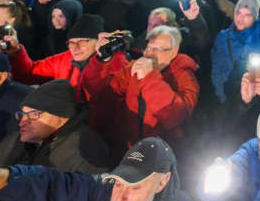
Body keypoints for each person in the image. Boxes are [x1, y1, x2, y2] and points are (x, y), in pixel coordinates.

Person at [0, 136, 196, 201]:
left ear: (163, 182)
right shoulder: (103, 193)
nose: (120, 200)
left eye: (136, 187)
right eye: (120, 184)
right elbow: (51, 184)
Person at [81, 25, 199, 153]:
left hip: (160, 155)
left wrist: (149, 77)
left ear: (174, 51)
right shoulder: (133, 69)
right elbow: (101, 94)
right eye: (148, 47)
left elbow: (174, 116)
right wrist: (102, 60)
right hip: (128, 151)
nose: (150, 54)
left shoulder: (185, 77)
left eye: (158, 49)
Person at [0, 79, 112, 173]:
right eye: (22, 114)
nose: (22, 122)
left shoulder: (85, 149)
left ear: (63, 115)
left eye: (34, 114)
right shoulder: (16, 139)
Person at [0, 13, 128, 99]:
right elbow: (29, 73)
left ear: (98, 42)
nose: (75, 48)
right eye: (71, 43)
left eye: (83, 41)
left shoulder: (113, 61)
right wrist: (15, 52)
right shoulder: (64, 59)